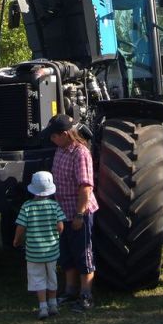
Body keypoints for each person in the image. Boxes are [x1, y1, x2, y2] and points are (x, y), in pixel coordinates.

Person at [45, 114, 98, 313]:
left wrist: (79, 215)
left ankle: (86, 294)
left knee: (83, 254)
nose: (52, 140)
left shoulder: (80, 153)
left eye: (54, 136)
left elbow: (85, 187)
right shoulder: (60, 150)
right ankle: (69, 291)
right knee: (66, 254)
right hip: (62, 212)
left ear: (65, 134)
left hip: (78, 212)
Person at [13, 171, 66, 320]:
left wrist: (17, 240)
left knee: (38, 278)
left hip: (33, 252)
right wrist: (56, 237)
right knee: (52, 276)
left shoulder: (27, 206)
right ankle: (53, 304)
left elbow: (21, 227)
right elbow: (60, 226)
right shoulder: (54, 206)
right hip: (52, 251)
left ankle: (43, 307)